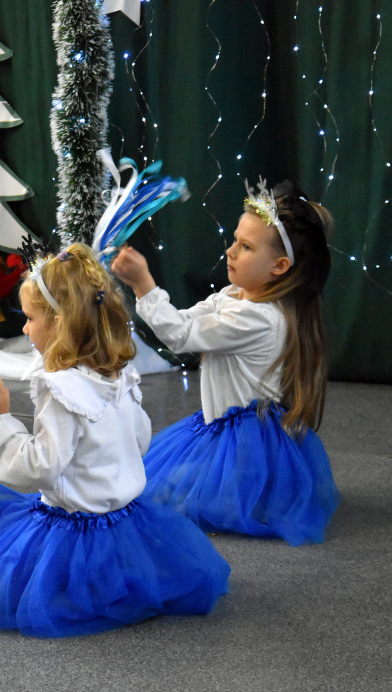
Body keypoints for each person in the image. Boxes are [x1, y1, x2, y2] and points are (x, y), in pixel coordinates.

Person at [0, 244, 230, 637]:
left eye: (31, 319)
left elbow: (39, 468)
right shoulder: (119, 375)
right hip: (125, 520)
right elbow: (139, 440)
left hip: (76, 527)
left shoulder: (61, 392)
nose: (24, 329)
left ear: (59, 322)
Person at [110, 179, 340, 545]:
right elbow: (185, 322)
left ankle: (249, 494)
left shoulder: (258, 317)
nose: (231, 251)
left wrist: (143, 286)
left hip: (244, 439)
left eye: (246, 247)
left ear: (279, 266)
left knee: (181, 496)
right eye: (235, 239)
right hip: (222, 425)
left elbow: (181, 337)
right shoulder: (235, 295)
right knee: (162, 486)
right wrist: (145, 293)